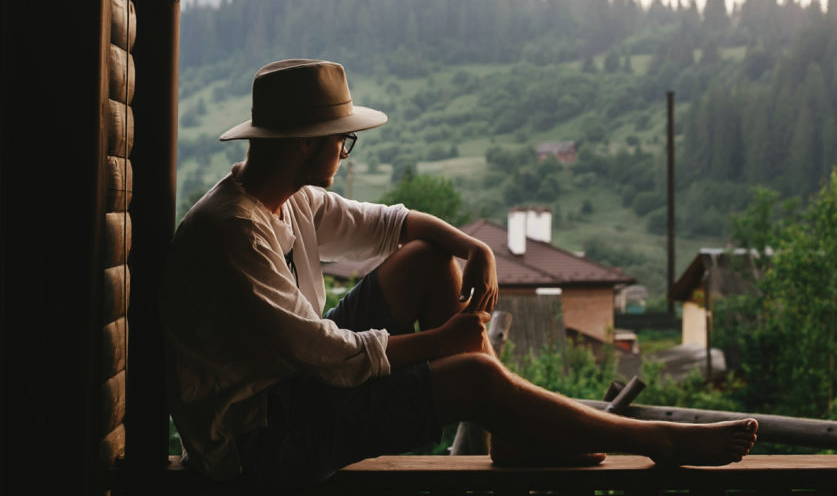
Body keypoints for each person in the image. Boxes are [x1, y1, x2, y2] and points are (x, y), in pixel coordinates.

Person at [160, 59, 757, 485]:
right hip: (259, 439)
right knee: (469, 374)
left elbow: (397, 226)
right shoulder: (232, 230)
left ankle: (508, 429)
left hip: (294, 384)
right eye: (342, 141)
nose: (345, 152)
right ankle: (662, 441)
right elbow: (326, 355)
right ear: (304, 146)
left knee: (429, 258)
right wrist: (442, 343)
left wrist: (476, 249)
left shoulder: (287, 197)